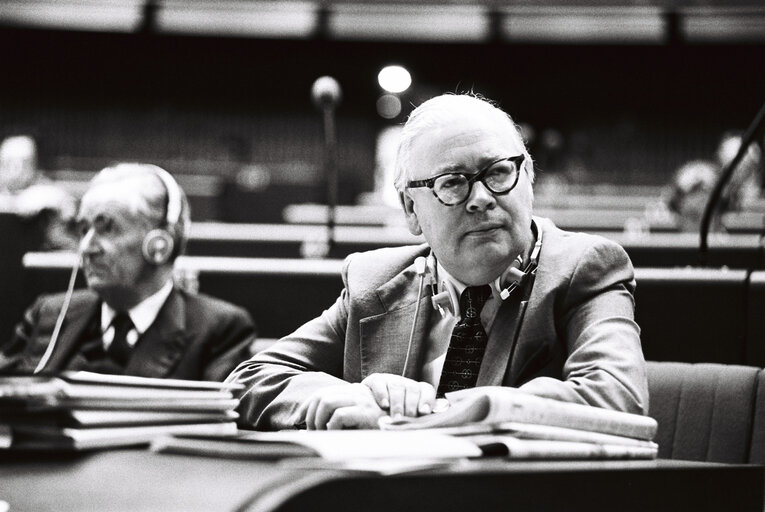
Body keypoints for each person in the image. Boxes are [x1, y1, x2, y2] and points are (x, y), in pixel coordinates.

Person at [227, 93, 648, 430]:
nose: (482, 198)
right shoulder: (373, 282)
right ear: (411, 210)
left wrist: (436, 414)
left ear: (529, 180)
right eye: (453, 183)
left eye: (499, 173)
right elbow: (248, 381)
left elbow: (616, 400)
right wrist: (341, 394)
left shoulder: (587, 268)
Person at [0, 163, 256, 380]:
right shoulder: (49, 314)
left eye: (107, 228)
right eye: (83, 229)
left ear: (159, 246)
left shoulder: (220, 330)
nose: (86, 247)